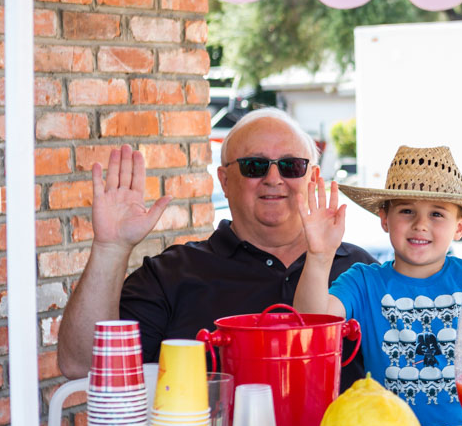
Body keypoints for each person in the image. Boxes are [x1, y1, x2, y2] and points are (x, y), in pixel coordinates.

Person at [57, 108, 375, 380]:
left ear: (313, 177)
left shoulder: (361, 273)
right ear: (224, 180)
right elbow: (82, 364)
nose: (274, 179)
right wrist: (110, 249)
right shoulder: (172, 274)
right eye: (255, 166)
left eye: (291, 165)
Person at [293, 145, 462, 426]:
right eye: (407, 210)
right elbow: (310, 326)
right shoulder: (363, 282)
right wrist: (320, 255)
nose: (420, 224)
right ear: (385, 219)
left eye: (437, 214)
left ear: (460, 226)